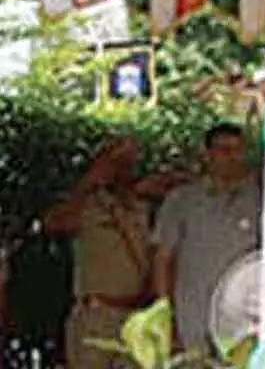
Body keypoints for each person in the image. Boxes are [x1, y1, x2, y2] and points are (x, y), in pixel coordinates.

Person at [44, 138, 178, 369]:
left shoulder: (142, 209)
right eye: (116, 162)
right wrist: (87, 183)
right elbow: (54, 224)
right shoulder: (86, 206)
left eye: (128, 163)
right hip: (97, 317)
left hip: (135, 315)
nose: (122, 169)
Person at [151, 123, 262, 353]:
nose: (231, 157)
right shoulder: (182, 200)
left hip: (245, 322)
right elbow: (162, 259)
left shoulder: (262, 198)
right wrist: (165, 316)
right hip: (193, 321)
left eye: (237, 150)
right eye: (223, 150)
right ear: (208, 154)